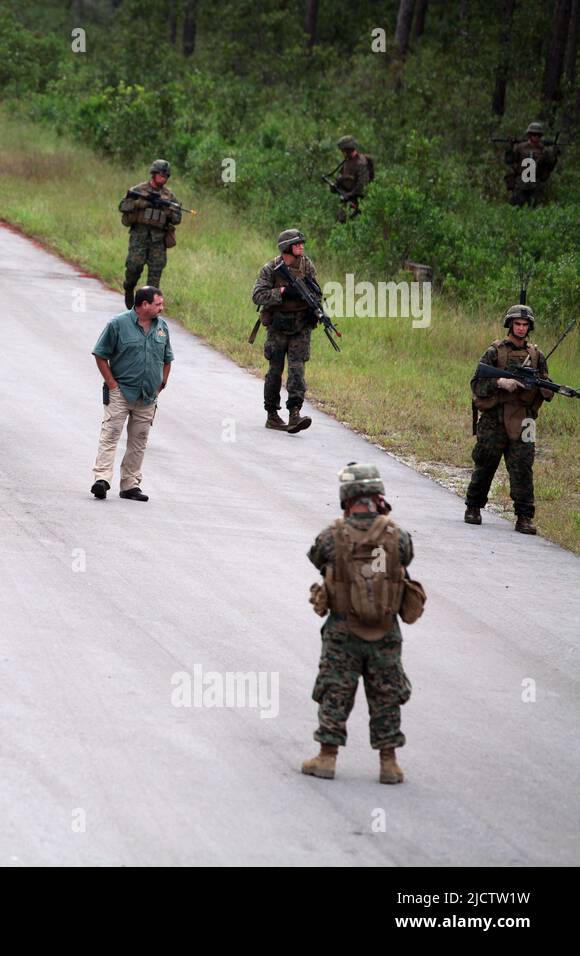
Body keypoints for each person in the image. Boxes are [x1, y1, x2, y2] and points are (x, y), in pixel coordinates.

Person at [303, 463, 419, 786]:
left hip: (343, 631)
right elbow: (406, 557)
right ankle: (389, 763)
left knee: (335, 691)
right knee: (386, 695)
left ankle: (327, 757)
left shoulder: (333, 535)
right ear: (378, 495)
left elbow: (316, 556)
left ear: (347, 496)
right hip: (385, 632)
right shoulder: (397, 536)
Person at [464, 304, 554, 535]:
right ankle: (473, 507)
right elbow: (477, 384)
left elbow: (548, 388)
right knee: (486, 463)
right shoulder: (495, 352)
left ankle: (524, 516)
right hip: (494, 418)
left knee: (523, 467)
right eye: (518, 324)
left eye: (525, 325)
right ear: (510, 325)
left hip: (524, 420)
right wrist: (500, 383)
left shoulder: (537, 356)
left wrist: (541, 387)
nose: (521, 328)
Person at [89, 286, 172, 501]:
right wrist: (112, 384)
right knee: (111, 434)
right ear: (144, 305)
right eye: (158, 304)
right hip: (121, 392)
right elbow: (100, 354)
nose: (162, 308)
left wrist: (161, 384)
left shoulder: (162, 328)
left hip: (148, 397)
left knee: (139, 439)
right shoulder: (117, 324)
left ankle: (130, 484)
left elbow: (167, 359)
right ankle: (102, 479)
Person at [251, 228, 317, 433]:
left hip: (300, 326)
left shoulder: (307, 266)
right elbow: (258, 296)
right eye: (297, 244)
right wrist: (282, 292)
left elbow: (316, 291)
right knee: (275, 372)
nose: (301, 247)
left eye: (301, 243)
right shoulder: (271, 268)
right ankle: (272, 414)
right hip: (277, 327)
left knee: (297, 371)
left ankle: (295, 414)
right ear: (286, 247)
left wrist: (315, 311)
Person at [118, 159, 183, 309]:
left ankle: (147, 308)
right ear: (153, 174)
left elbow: (177, 218)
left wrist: (166, 209)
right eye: (161, 174)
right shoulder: (138, 190)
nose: (163, 177)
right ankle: (129, 289)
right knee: (134, 268)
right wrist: (138, 204)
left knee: (155, 276)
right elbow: (122, 206)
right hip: (139, 237)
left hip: (158, 240)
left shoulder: (169, 196)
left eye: (166, 175)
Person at [504, 122, 559, 207]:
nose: (536, 137)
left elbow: (550, 166)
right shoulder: (520, 147)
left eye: (538, 135)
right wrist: (509, 149)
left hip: (535, 184)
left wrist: (554, 155)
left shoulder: (543, 150)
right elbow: (509, 161)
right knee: (516, 208)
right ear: (529, 135)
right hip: (520, 183)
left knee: (534, 208)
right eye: (534, 134)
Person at [332, 135, 373, 222]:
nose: (342, 153)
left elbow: (362, 185)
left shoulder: (360, 163)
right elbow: (342, 178)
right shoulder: (347, 161)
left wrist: (350, 194)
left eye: (342, 150)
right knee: (340, 223)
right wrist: (335, 186)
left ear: (347, 150)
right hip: (347, 200)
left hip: (358, 201)